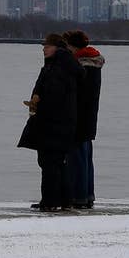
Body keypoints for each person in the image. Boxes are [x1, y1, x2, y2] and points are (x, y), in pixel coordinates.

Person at [18, 33, 83, 212]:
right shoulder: (55, 65)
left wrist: (39, 103)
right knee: (55, 162)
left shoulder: (59, 67)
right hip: (57, 123)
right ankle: (63, 200)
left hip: (54, 123)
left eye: (47, 46)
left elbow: (54, 96)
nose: (43, 48)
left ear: (57, 48)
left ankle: (51, 201)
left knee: (50, 163)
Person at [63, 30, 105, 209]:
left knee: (77, 158)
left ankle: (78, 196)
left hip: (78, 116)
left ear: (72, 46)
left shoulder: (81, 65)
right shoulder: (93, 63)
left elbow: (76, 93)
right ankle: (87, 194)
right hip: (89, 117)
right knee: (86, 157)